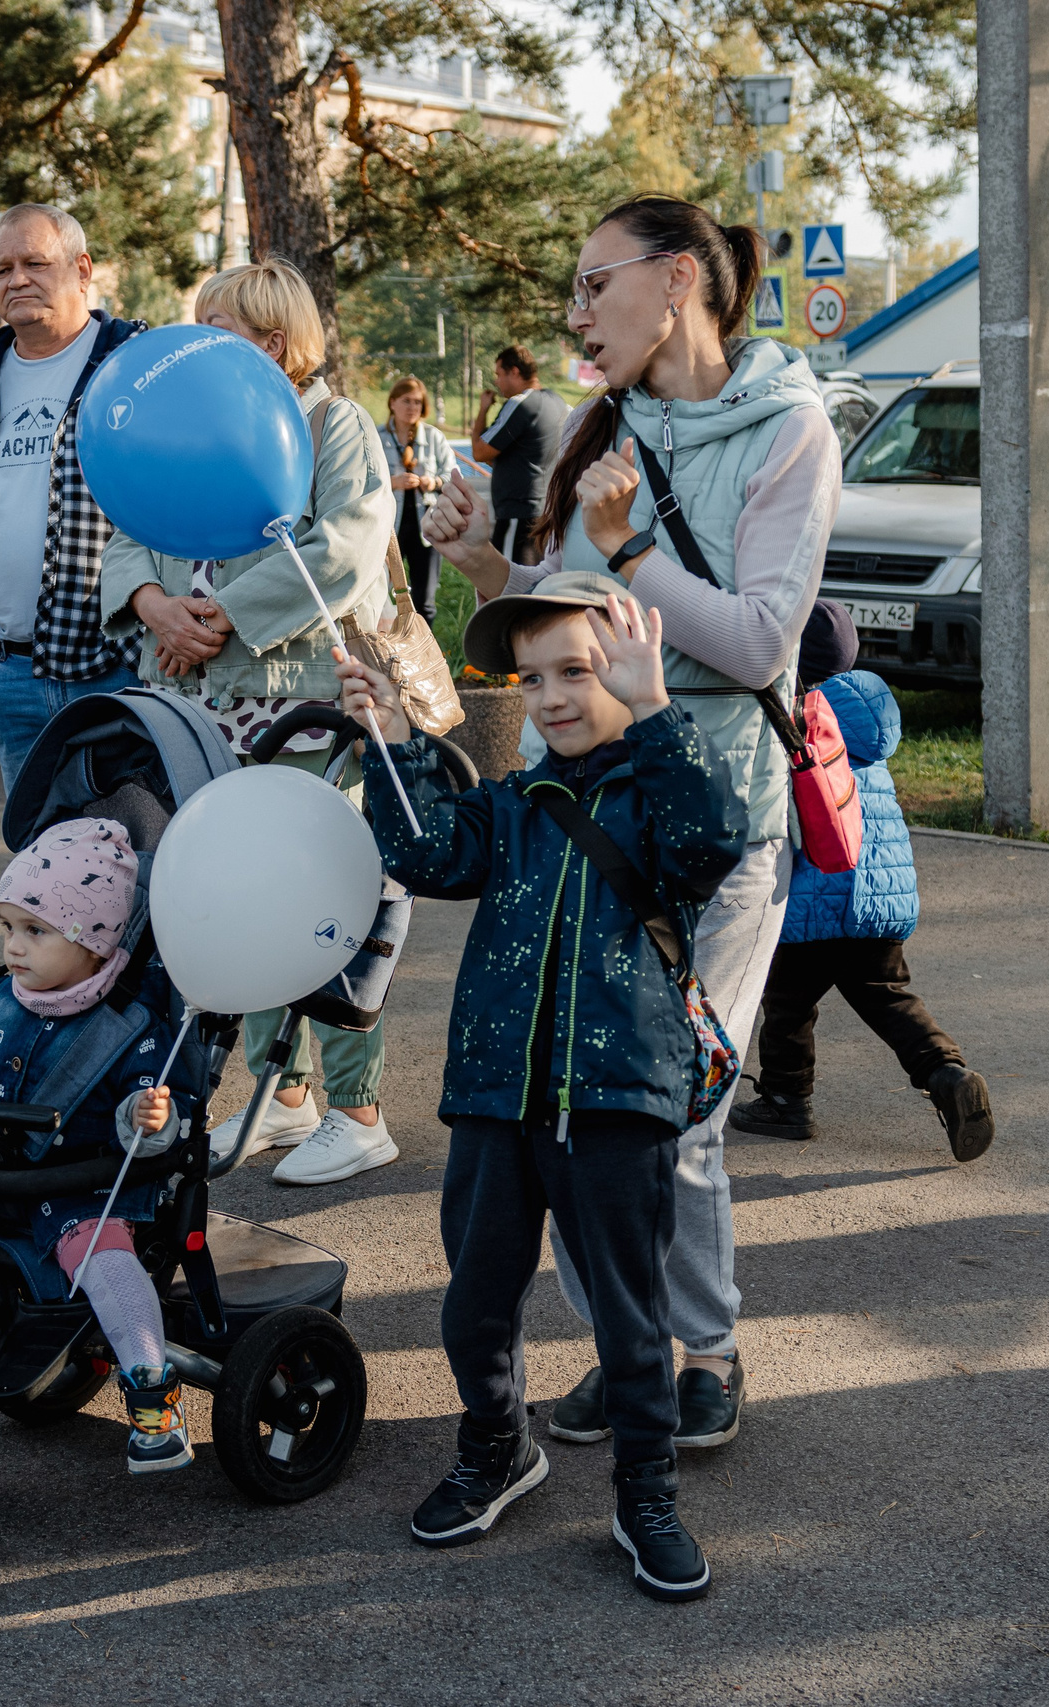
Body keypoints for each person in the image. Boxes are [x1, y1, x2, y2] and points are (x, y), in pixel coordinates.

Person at [424, 194, 841, 1453]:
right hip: (580, 824)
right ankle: (631, 1346)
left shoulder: (790, 429)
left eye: (593, 283)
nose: (574, 312)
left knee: (678, 1110)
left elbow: (764, 640)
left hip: (711, 822)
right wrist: (492, 568)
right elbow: (561, 620)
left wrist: (634, 552)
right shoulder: (597, 426)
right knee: (581, 1107)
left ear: (676, 283)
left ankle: (701, 1350)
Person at [337, 582, 744, 1601]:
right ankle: (495, 1445)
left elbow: (712, 842)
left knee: (628, 1315)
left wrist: (656, 711)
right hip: (492, 1095)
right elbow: (427, 853)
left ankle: (645, 1490)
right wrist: (388, 741)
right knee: (476, 1301)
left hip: (618, 1098)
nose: (554, 696)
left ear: (630, 666)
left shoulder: (658, 794)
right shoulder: (515, 806)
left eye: (579, 669)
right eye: (534, 678)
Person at [100, 258, 398, 1189]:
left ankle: (359, 1108)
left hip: (304, 705)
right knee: (242, 892)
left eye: (215, 327)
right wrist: (152, 603)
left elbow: (345, 547)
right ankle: (293, 1094)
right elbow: (128, 531)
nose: (190, 348)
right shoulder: (186, 427)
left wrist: (221, 615)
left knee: (324, 898)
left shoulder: (332, 424)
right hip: (203, 705)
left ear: (272, 341)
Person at [0, 819, 208, 1472]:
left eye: (35, 931)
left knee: (107, 1264)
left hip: (76, 1188)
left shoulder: (130, 1027)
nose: (14, 947)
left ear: (93, 941)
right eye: (8, 927)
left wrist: (147, 1115)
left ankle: (154, 1395)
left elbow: (152, 1102)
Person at [728, 602, 992, 1158]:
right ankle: (948, 1073)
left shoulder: (792, 718)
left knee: (789, 1003)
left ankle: (785, 1100)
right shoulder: (866, 714)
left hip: (813, 897)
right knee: (890, 998)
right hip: (878, 898)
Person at [0, 205, 145, 789]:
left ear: (81, 270)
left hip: (118, 671)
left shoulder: (136, 366)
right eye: (2, 269)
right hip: (7, 674)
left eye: (34, 263)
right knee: (39, 862)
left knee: (138, 852)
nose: (17, 279)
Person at [467, 346, 569, 566]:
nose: (497, 382)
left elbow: (479, 451)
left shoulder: (521, 402)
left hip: (518, 512)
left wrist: (483, 409)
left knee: (509, 586)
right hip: (546, 511)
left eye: (499, 374)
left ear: (514, 371)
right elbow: (502, 458)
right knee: (538, 583)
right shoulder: (558, 402)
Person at [379, 375, 454, 620]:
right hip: (389, 527)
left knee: (425, 601)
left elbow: (453, 476)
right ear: (392, 402)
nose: (412, 407)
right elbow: (361, 479)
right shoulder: (377, 437)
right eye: (406, 401)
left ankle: (425, 651)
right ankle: (388, 650)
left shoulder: (433, 437)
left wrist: (432, 482)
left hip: (427, 528)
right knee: (382, 597)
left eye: (417, 402)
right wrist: (391, 482)